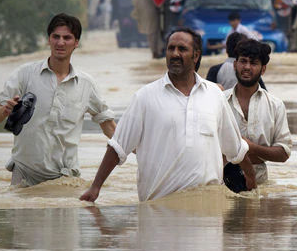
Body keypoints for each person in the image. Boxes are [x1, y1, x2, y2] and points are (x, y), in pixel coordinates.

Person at [79, 28, 256, 202]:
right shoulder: (145, 97)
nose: (175, 54)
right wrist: (96, 187)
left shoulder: (214, 95)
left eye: (182, 49)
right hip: (159, 211)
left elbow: (235, 148)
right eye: (171, 48)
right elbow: (118, 147)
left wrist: (251, 180)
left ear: (196, 56)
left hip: (207, 214)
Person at [0, 14, 116, 187]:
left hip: (64, 180)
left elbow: (108, 126)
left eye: (67, 38)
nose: (60, 42)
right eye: (55, 37)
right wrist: (5, 111)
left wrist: (140, 151)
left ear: (76, 43)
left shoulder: (86, 84)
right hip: (24, 176)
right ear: (48, 40)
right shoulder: (24, 74)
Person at [224, 40, 291, 184]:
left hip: (259, 182)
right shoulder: (219, 101)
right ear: (235, 65)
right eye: (243, 61)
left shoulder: (275, 105)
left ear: (263, 69)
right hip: (221, 180)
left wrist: (252, 148)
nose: (247, 67)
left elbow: (284, 153)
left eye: (253, 63)